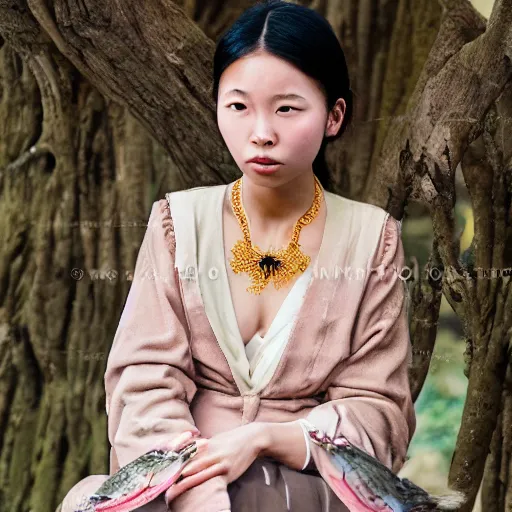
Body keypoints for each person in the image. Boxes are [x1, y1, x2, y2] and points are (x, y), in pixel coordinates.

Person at [59, 1, 416, 511]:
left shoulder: (369, 238)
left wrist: (265, 440)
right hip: (180, 479)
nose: (261, 132)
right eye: (239, 106)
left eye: (287, 108)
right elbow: (142, 379)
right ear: (217, 108)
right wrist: (198, 477)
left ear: (334, 115)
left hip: (310, 484)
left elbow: (379, 409)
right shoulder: (178, 224)